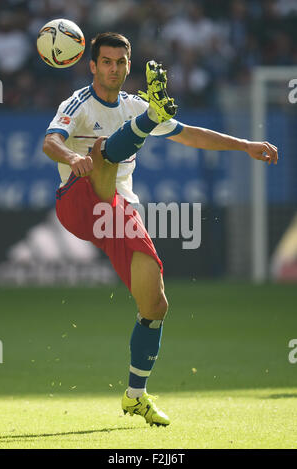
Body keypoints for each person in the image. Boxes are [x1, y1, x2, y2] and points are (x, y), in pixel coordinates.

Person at [43, 32, 278, 427]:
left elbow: (189, 134)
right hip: (79, 202)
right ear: (92, 65)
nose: (113, 68)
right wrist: (71, 155)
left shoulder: (133, 104)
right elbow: (51, 141)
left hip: (118, 212)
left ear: (127, 66)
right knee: (101, 149)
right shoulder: (78, 104)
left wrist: (245, 144)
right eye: (106, 62)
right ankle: (147, 124)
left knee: (155, 305)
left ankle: (135, 396)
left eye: (120, 62)